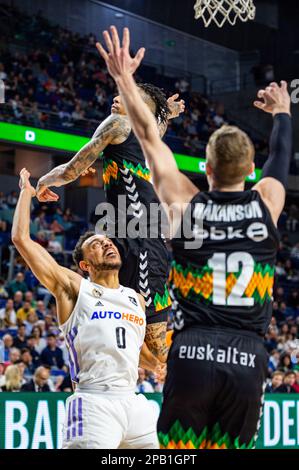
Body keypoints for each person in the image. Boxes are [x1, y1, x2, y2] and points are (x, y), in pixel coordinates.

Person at [97, 26, 293, 449]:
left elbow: (148, 137)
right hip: (246, 357)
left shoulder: (186, 206)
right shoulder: (268, 204)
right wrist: (283, 112)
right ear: (250, 172)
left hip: (192, 354)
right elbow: (280, 157)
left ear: (205, 169)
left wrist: (123, 79)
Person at [12, 168, 167, 449]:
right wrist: (26, 193)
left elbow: (134, 350)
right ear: (85, 265)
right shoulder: (74, 287)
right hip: (93, 401)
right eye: (96, 244)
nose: (106, 243)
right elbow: (22, 240)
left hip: (133, 402)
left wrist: (157, 365)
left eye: (107, 241)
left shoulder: (136, 298)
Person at [35, 77, 185, 338]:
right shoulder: (149, 133)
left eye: (124, 96)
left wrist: (43, 180)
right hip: (136, 234)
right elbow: (156, 123)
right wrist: (166, 114)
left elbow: (72, 170)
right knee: (132, 331)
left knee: (151, 340)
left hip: (138, 236)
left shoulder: (118, 124)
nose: (115, 99)